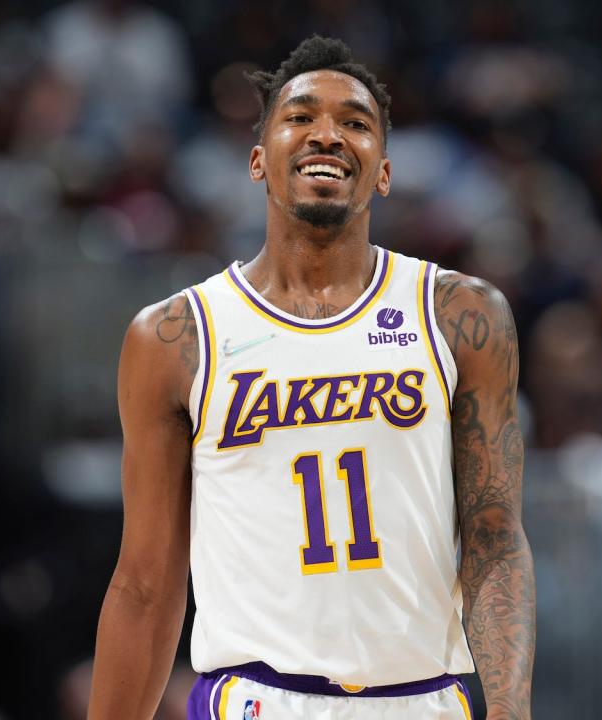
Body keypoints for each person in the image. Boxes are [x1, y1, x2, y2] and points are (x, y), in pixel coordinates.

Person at [87, 36, 535, 720]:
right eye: (300, 116)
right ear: (260, 161)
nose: (327, 133)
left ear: (383, 171)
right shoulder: (176, 337)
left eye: (356, 123)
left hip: (426, 700)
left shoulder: (461, 314)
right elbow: (146, 585)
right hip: (255, 699)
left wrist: (509, 712)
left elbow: (495, 539)